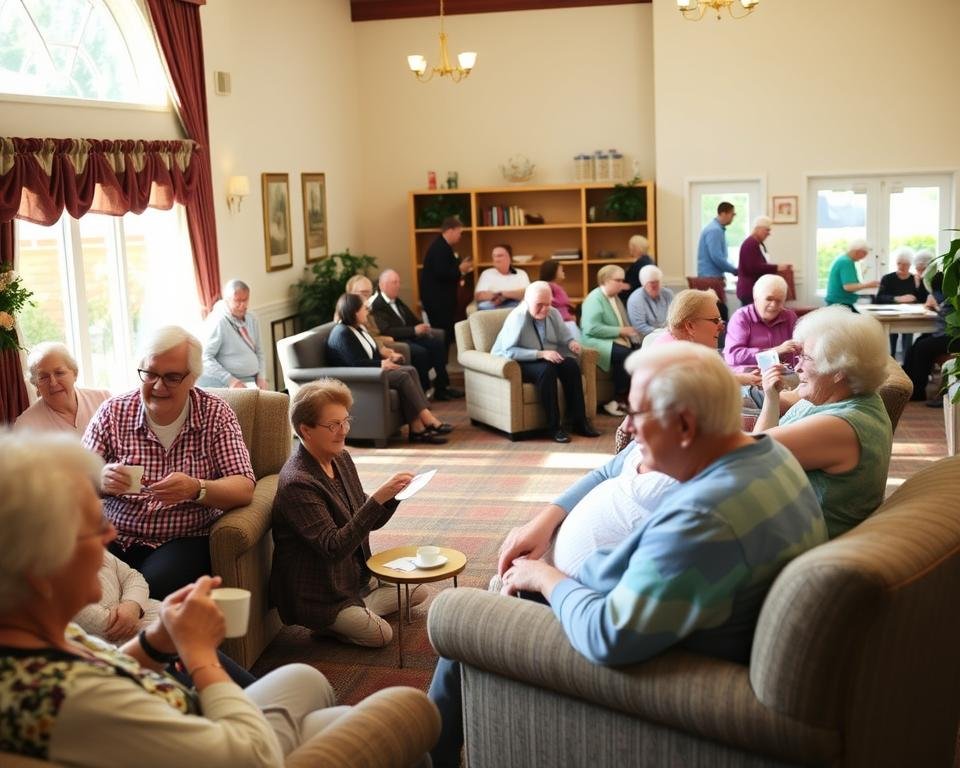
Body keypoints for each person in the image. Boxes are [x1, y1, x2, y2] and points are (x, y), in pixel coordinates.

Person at [428, 343, 826, 767]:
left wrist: (544, 578)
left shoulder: (704, 517)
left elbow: (609, 636)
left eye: (637, 415)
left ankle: (429, 756)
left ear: (686, 425)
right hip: (674, 617)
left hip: (659, 660)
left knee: (461, 614)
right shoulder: (768, 454)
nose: (629, 430)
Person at [0, 431, 389, 766]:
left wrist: (157, 642)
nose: (109, 538)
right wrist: (199, 653)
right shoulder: (73, 700)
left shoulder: (34, 636)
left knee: (307, 680)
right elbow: (249, 758)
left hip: (198, 726)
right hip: (237, 748)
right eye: (92, 528)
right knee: (393, 718)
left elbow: (107, 667)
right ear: (39, 571)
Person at [82, 326, 256, 599]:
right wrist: (100, 480)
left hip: (182, 538)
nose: (158, 386)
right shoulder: (113, 412)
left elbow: (243, 486)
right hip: (114, 534)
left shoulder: (215, 414)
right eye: (150, 374)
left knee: (153, 587)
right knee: (83, 584)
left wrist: (197, 489)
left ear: (193, 378)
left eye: (173, 377)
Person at [270, 380, 425, 647]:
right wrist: (377, 499)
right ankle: (333, 620)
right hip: (320, 593)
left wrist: (393, 497)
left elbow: (366, 521)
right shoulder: (298, 482)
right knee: (381, 635)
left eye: (346, 421)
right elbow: (333, 547)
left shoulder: (340, 458)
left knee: (419, 590)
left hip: (352, 577)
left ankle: (359, 608)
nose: (343, 432)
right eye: (333, 425)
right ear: (305, 430)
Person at [754, 306, 893, 538]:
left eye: (806, 358)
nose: (796, 366)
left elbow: (747, 458)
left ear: (838, 369)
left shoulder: (840, 425)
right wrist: (771, 398)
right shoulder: (834, 398)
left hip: (803, 542)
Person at [327, 293, 452, 444]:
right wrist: (380, 364)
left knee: (410, 370)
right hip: (361, 379)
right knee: (403, 376)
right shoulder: (342, 333)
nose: (367, 311)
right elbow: (355, 363)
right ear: (354, 311)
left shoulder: (357, 328)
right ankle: (427, 418)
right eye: (364, 309)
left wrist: (387, 357)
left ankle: (417, 428)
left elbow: (370, 352)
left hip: (372, 372)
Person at [491, 281, 601, 444]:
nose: (544, 309)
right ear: (526, 301)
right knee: (547, 370)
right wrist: (541, 354)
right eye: (539, 305)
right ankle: (554, 427)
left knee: (570, 365)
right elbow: (509, 351)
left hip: (545, 357)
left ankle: (579, 422)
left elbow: (565, 337)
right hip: (516, 361)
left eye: (547, 304)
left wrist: (572, 343)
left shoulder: (553, 313)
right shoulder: (518, 317)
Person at [371, 269, 463, 401]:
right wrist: (414, 330)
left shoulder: (397, 300)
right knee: (421, 352)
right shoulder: (377, 305)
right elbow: (387, 330)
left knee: (437, 344)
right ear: (382, 285)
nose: (398, 285)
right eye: (394, 282)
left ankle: (442, 388)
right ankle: (423, 391)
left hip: (411, 337)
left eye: (398, 282)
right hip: (397, 341)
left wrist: (422, 326)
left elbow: (412, 319)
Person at [656, 289, 761, 386]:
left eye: (721, 320)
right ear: (690, 326)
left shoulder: (678, 344)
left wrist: (745, 379)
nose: (722, 327)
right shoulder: (678, 361)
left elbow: (707, 379)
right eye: (716, 320)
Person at [580, 265, 640, 417]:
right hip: (594, 342)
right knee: (626, 355)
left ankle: (630, 398)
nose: (622, 284)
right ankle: (617, 399)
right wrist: (621, 331)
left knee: (637, 352)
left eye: (622, 280)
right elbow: (591, 329)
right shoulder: (594, 299)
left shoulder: (614, 297)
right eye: (618, 280)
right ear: (605, 280)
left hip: (611, 339)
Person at [14, 341, 110, 434]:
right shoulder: (25, 425)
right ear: (36, 384)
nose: (53, 383)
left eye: (59, 373)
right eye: (43, 377)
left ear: (75, 374)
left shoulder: (104, 399)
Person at [197, 279, 268, 390]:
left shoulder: (252, 318)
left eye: (245, 300)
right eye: (238, 301)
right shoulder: (218, 321)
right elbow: (205, 357)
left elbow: (260, 351)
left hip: (253, 380)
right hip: (231, 384)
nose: (243, 305)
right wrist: (230, 380)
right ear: (227, 301)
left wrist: (262, 377)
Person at [420, 216, 472, 362]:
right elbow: (442, 273)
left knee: (445, 336)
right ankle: (441, 372)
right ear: (450, 230)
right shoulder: (440, 248)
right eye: (459, 232)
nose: (460, 236)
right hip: (438, 302)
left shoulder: (443, 246)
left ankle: (442, 372)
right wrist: (461, 269)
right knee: (442, 336)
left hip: (441, 301)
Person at [903, 271, 959, 405]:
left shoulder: (951, 294)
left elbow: (951, 316)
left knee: (923, 347)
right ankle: (906, 386)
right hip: (950, 335)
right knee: (917, 344)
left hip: (954, 338)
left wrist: (935, 306)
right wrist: (936, 307)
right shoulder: (950, 293)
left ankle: (918, 392)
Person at [723, 274, 800, 369]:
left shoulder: (790, 317)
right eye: (769, 299)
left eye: (779, 301)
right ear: (756, 297)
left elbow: (798, 352)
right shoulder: (741, 317)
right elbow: (733, 356)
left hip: (784, 376)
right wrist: (775, 352)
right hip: (750, 378)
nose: (774, 305)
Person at [876, 246, 926, 357]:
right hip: (891, 316)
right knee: (891, 342)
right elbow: (879, 298)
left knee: (907, 341)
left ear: (910, 265)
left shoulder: (915, 279)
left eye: (905, 264)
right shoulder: (888, 278)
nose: (902, 267)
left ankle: (907, 365)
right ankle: (892, 364)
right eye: (899, 263)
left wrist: (918, 285)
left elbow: (923, 299)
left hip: (910, 316)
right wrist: (896, 299)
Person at [736, 216, 783, 307]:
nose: (769, 233)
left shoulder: (755, 243)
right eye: (767, 230)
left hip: (751, 290)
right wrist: (777, 267)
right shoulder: (751, 243)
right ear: (758, 229)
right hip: (749, 291)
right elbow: (754, 267)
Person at [825, 239, 880, 311]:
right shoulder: (846, 262)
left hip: (839, 302)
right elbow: (848, 287)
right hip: (841, 303)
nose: (864, 257)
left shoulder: (843, 259)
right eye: (865, 254)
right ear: (858, 251)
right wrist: (868, 285)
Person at [474, 244, 529, 310]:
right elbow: (479, 295)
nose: (496, 259)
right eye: (494, 256)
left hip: (515, 305)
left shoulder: (521, 273)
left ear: (509, 258)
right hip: (493, 306)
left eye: (500, 256)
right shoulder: (487, 273)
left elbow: (527, 293)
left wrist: (504, 294)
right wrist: (499, 296)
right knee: (484, 306)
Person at [626, 264, 673, 337]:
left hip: (669, 333)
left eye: (657, 282)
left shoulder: (668, 294)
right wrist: (662, 333)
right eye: (652, 283)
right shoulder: (635, 299)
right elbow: (640, 327)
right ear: (643, 284)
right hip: (646, 337)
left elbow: (674, 316)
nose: (656, 286)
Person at [697, 201, 738, 280]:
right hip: (711, 278)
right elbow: (716, 257)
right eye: (732, 214)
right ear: (723, 214)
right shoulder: (715, 230)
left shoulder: (716, 229)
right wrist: (734, 270)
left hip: (710, 276)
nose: (733, 217)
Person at [538, 260, 579, 339]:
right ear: (553, 271)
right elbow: (550, 304)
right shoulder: (547, 286)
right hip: (560, 323)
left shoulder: (554, 286)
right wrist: (567, 316)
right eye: (561, 270)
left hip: (565, 321)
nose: (563, 272)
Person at [620, 234, 654, 302]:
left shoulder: (640, 264)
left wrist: (619, 285)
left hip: (636, 298)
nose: (630, 249)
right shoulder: (649, 260)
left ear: (636, 248)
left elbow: (633, 285)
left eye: (631, 246)